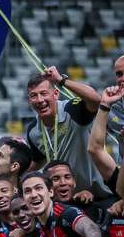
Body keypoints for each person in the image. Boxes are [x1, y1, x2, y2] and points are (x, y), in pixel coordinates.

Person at [25, 70, 111, 198]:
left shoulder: (72, 110)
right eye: (33, 95)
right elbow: (38, 160)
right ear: (29, 100)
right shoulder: (33, 131)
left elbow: (96, 100)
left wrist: (61, 80)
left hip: (100, 194)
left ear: (56, 94)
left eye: (43, 93)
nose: (39, 100)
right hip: (66, 199)